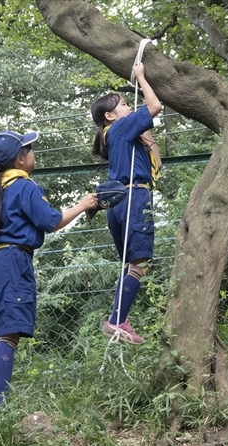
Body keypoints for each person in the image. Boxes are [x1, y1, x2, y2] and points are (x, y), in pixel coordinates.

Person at [0, 130, 97, 405]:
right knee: (9, 334)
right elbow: (51, 221)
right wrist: (82, 205)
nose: (33, 153)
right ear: (20, 159)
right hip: (13, 261)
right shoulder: (25, 186)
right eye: (29, 149)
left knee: (0, 335)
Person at [90, 61, 163, 345]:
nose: (128, 107)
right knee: (140, 263)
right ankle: (117, 319)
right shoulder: (120, 127)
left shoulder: (118, 135)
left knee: (131, 264)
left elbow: (154, 153)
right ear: (110, 115)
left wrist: (144, 133)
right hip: (135, 197)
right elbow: (155, 106)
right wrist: (142, 78)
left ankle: (120, 318)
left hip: (119, 201)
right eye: (123, 104)